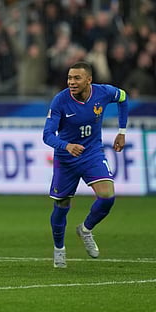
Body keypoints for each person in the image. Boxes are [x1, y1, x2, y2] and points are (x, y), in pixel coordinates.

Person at [42, 61, 128, 268]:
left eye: (76, 78)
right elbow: (47, 135)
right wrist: (66, 146)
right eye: (69, 78)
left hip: (92, 154)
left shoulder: (104, 92)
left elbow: (123, 98)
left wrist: (122, 132)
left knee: (107, 196)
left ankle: (86, 229)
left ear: (89, 80)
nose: (71, 82)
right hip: (66, 159)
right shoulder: (60, 101)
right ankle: (59, 249)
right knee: (62, 205)